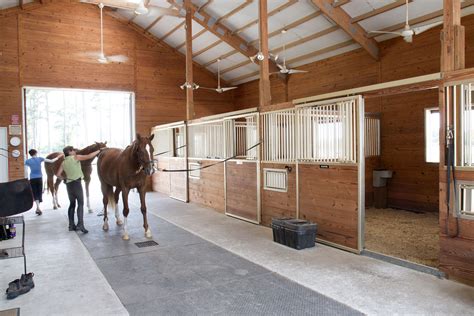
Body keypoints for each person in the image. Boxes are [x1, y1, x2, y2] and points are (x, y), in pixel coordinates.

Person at [56, 146, 101, 233]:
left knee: (72, 204)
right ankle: (80, 224)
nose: (74, 151)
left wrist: (64, 179)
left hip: (69, 185)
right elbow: (89, 156)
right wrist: (99, 150)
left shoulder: (63, 162)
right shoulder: (75, 157)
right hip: (77, 184)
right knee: (80, 204)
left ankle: (71, 225)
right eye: (73, 150)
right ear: (69, 152)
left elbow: (58, 174)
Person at [25, 149, 63, 215]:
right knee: (39, 192)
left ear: (30, 154)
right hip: (39, 178)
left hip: (32, 178)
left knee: (35, 192)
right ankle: (38, 207)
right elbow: (52, 161)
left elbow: (25, 169)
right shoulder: (40, 159)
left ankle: (38, 207)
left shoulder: (28, 161)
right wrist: (59, 156)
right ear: (36, 153)